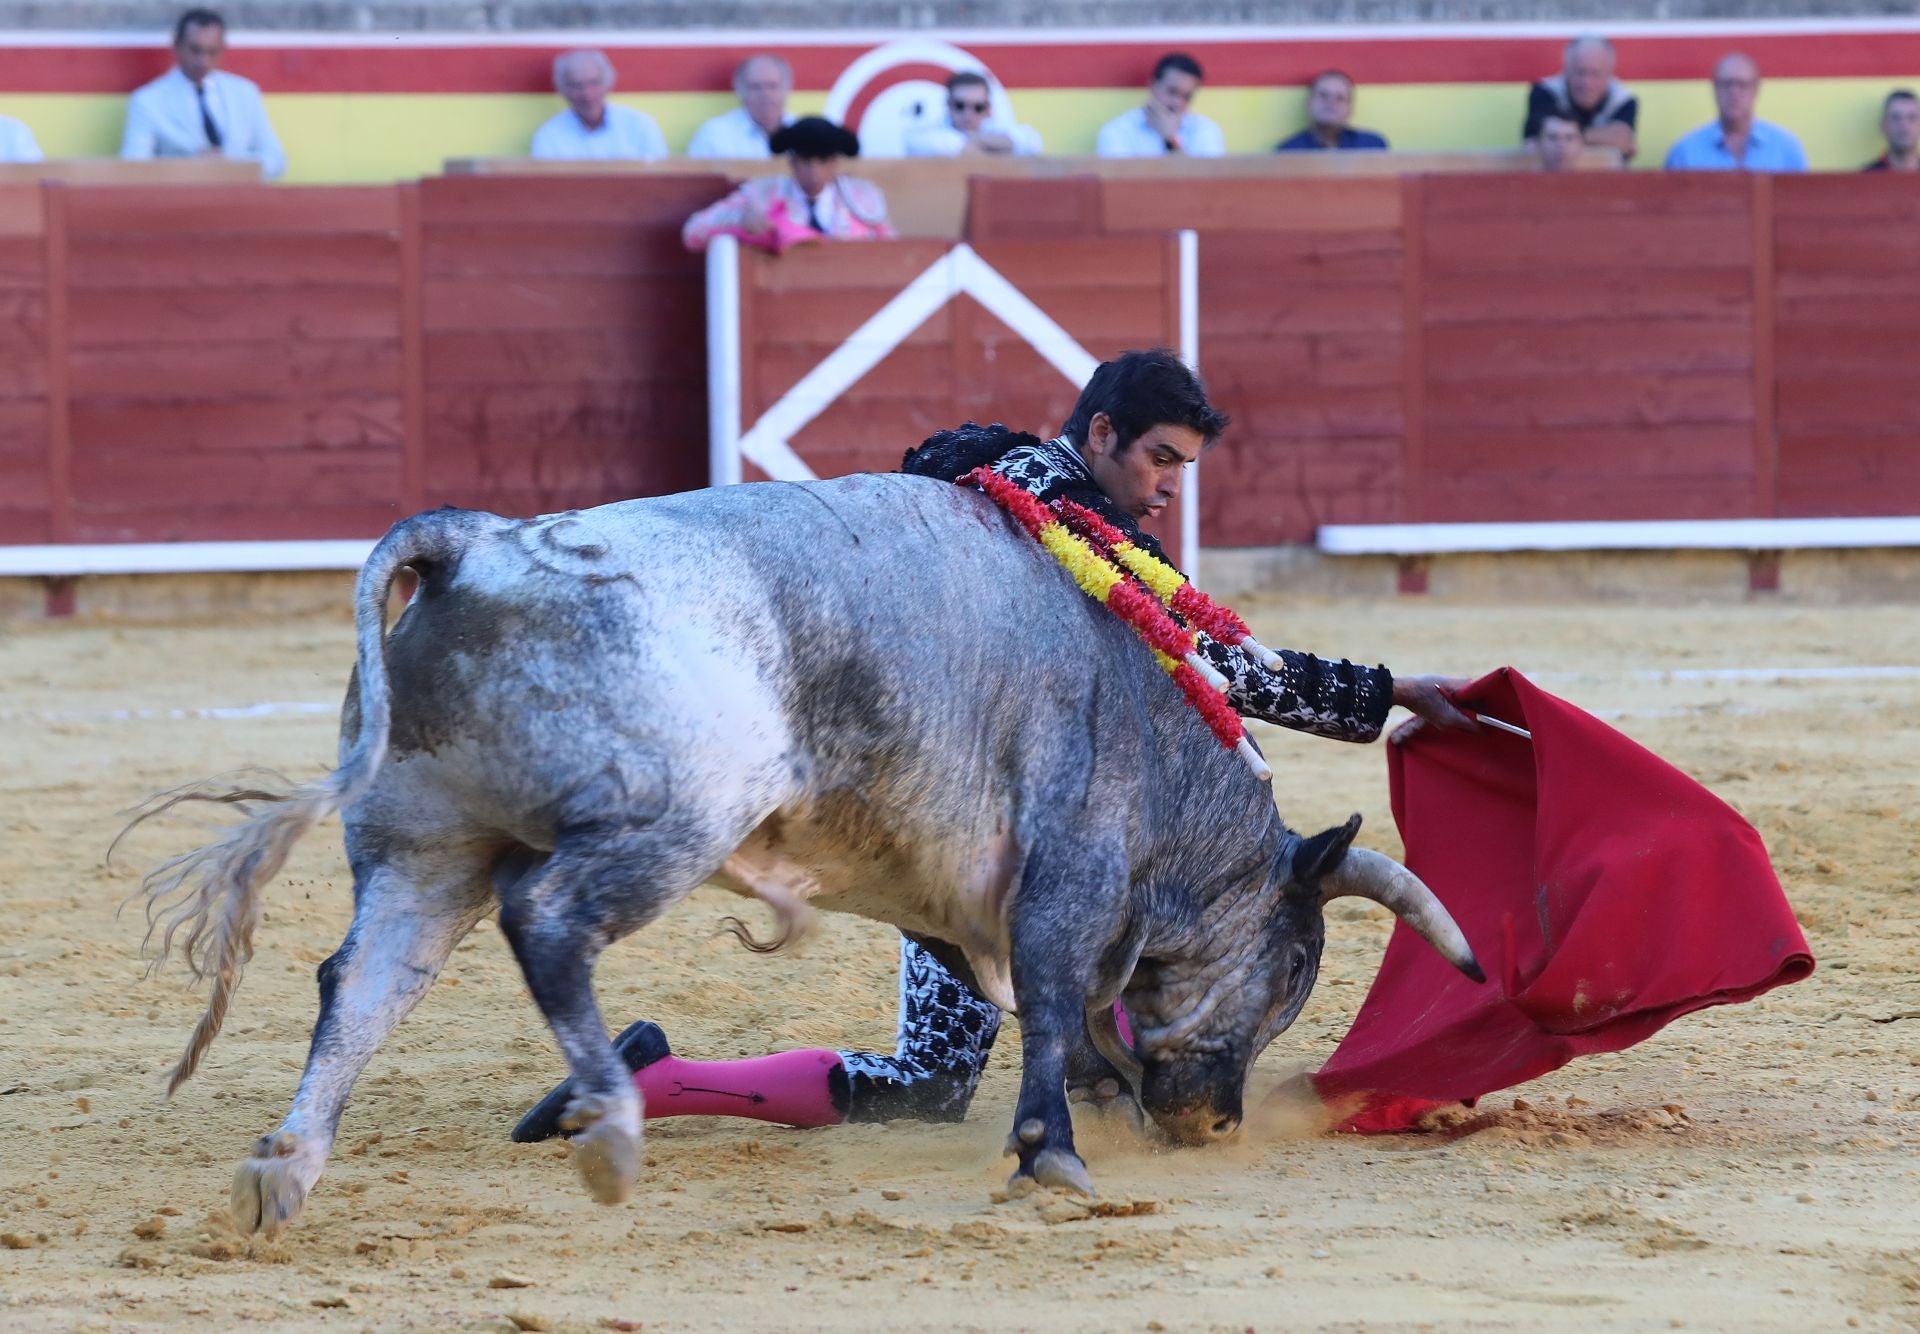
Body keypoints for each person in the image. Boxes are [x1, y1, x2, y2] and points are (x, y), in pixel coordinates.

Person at [513, 348, 1477, 1143]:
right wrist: (1386, 692)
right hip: (971, 841)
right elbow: (1237, 674)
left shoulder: (998, 478)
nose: (1169, 488)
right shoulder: (1078, 534)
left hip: (916, 791)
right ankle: (665, 1078)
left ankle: (659, 1077)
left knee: (943, 1072)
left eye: (1183, 467)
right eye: (1160, 460)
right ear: (1100, 434)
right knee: (977, 1032)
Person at [681, 116, 894, 253]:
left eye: (822, 162)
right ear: (792, 162)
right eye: (806, 161)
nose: (814, 172)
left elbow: (892, 249)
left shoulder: (861, 197)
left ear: (834, 163)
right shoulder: (761, 194)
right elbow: (693, 232)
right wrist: (740, 221)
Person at [120, 8, 286, 179]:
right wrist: (192, 168)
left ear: (222, 49)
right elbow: (134, 166)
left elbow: (275, 159)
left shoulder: (245, 93)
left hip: (239, 200)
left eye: (211, 51)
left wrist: (229, 165)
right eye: (195, 50)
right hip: (179, 202)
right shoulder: (147, 101)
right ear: (176, 45)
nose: (203, 61)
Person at [1664, 53, 1807, 172]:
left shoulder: (1786, 149)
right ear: (1715, 89)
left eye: (1742, 85)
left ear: (1756, 89)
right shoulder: (1684, 153)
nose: (1734, 92)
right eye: (1726, 84)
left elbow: (1802, 203)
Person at [530, 50, 667, 161]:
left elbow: (660, 180)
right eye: (577, 86)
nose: (587, 95)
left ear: (608, 83)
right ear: (562, 90)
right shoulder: (548, 136)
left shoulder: (640, 125)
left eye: (594, 83)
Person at [1525, 35, 1637, 163]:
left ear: (1609, 74)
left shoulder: (1623, 99)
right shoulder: (1544, 92)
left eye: (1595, 73)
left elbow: (1623, 142)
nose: (1586, 82)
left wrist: (1562, 137)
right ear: (1566, 70)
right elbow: (1533, 145)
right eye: (1580, 72)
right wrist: (1602, 138)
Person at [1095, 52, 1225, 158]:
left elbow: (1207, 186)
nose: (1177, 102)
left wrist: (1170, 141)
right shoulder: (1118, 131)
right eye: (1172, 92)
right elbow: (1121, 184)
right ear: (1153, 85)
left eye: (1186, 96)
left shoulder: (1205, 130)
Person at [904, 70, 1043, 157]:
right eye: (960, 105)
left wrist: (975, 139)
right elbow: (950, 147)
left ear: (988, 109)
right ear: (948, 105)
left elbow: (1032, 141)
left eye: (978, 107)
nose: (968, 114)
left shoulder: (993, 127)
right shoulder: (925, 132)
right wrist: (997, 146)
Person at [685, 53, 794, 159]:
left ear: (786, 89)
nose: (765, 94)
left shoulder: (802, 132)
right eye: (755, 87)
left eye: (772, 86)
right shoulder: (714, 134)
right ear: (740, 91)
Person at [1276, 70, 1388, 152]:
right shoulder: (1289, 151)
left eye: (1340, 98)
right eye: (1323, 95)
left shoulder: (1372, 146)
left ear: (1349, 110)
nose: (1331, 103)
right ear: (1308, 104)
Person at [1864, 88, 1920, 170]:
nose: (1904, 125)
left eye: (1912, 118)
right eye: (1896, 118)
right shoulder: (1865, 179)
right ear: (1883, 126)